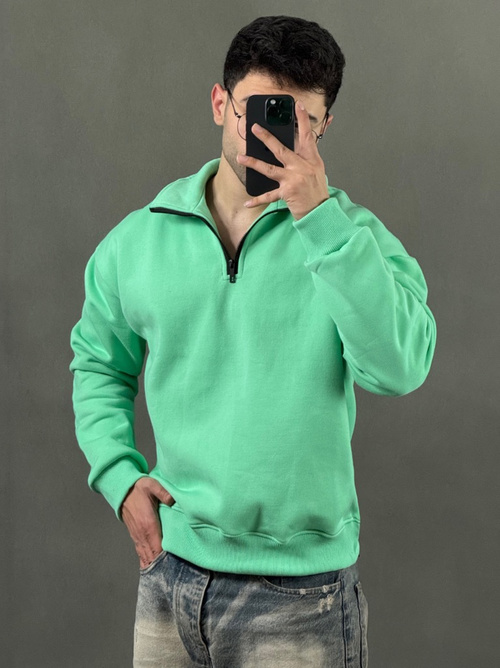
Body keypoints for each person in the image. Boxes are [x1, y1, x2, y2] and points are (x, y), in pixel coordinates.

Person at [70, 14, 437, 667]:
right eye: (257, 112)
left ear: (323, 128)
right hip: (169, 576)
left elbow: (400, 366)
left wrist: (321, 222)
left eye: (299, 121)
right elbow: (98, 361)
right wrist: (119, 476)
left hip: (302, 596)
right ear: (220, 103)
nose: (270, 137)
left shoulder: (355, 240)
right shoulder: (139, 239)